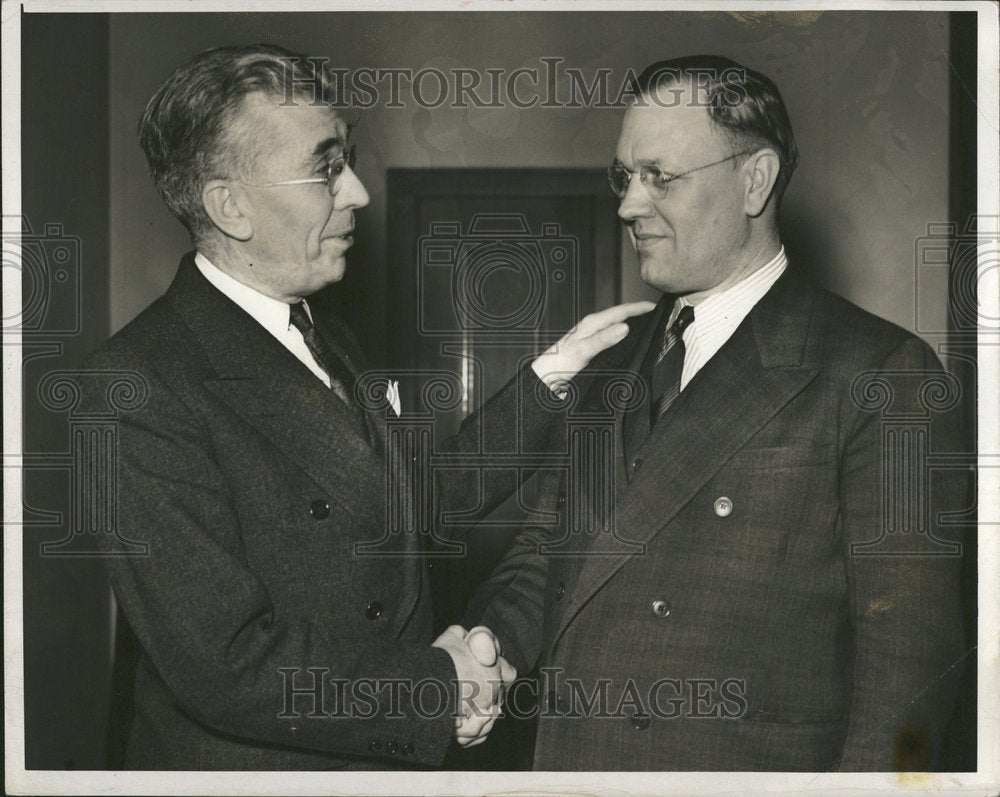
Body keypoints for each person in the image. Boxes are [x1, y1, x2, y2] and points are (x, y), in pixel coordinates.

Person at [81, 43, 652, 770]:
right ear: (231, 205)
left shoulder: (322, 332)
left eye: (345, 159)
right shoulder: (138, 384)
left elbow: (412, 504)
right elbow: (229, 666)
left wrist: (555, 370)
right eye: (325, 167)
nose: (356, 190)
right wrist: (440, 688)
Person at [469, 55, 967, 771]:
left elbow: (907, 674)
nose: (627, 206)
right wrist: (489, 647)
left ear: (755, 179)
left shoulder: (880, 374)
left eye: (659, 177)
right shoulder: (612, 362)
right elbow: (551, 554)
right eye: (623, 176)